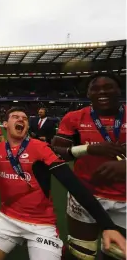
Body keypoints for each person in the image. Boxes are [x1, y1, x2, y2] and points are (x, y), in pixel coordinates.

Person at [0, 107, 126, 260]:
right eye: (15, 117)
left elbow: (75, 186)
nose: (21, 120)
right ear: (5, 124)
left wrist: (108, 225)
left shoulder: (41, 148)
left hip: (41, 226)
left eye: (24, 118)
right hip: (7, 220)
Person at [51, 73, 126, 260]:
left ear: (120, 90)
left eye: (108, 87)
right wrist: (88, 149)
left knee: (116, 254)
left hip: (125, 199)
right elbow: (56, 152)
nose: (102, 91)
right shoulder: (75, 117)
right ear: (88, 93)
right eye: (95, 88)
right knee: (81, 253)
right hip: (85, 195)